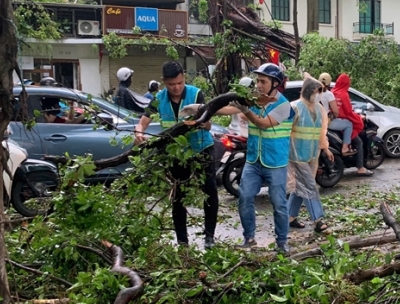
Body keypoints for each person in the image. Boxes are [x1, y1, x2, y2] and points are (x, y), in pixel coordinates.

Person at [134, 61, 219, 249]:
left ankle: (210, 237)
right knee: (178, 196)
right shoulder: (158, 98)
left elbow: (209, 123)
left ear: (184, 78)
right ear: (164, 82)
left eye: (180, 83)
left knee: (210, 191)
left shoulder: (196, 93)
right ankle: (182, 242)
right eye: (172, 84)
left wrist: (205, 123)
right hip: (177, 153)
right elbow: (142, 123)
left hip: (202, 148)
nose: (176, 87)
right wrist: (138, 132)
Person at [215, 63, 294, 254]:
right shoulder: (253, 100)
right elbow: (228, 109)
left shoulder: (284, 106)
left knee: (279, 204)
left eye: (263, 81)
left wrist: (246, 109)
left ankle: (282, 242)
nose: (258, 85)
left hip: (275, 162)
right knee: (244, 196)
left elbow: (263, 123)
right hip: (253, 159)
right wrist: (204, 108)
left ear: (275, 83)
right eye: (257, 81)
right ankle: (249, 238)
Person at [287, 74, 333, 234]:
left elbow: (322, 132)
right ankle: (318, 220)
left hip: (312, 154)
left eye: (320, 91)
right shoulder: (294, 108)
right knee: (309, 186)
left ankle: (289, 217)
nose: (318, 94)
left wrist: (325, 148)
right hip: (295, 155)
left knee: (301, 188)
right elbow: (284, 131)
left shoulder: (320, 110)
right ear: (308, 91)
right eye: (316, 91)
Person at [332, 73, 373, 176]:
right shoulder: (344, 94)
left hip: (332, 121)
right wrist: (359, 118)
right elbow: (349, 113)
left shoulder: (332, 92)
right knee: (359, 142)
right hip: (342, 123)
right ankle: (360, 167)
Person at [318, 73, 355, 156]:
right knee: (349, 124)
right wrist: (333, 116)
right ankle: (345, 148)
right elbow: (336, 112)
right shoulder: (328, 94)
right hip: (325, 122)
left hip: (313, 122)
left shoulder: (313, 92)